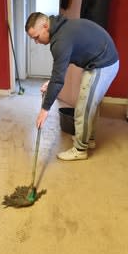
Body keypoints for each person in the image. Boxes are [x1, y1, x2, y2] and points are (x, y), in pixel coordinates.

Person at [25, 12, 119, 161]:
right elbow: (62, 64)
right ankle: (89, 140)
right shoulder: (62, 28)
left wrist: (45, 109)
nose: (36, 42)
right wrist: (51, 82)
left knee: (84, 106)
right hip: (100, 60)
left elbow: (59, 78)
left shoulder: (60, 40)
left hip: (103, 63)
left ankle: (80, 150)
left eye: (36, 37)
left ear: (45, 26)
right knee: (89, 103)